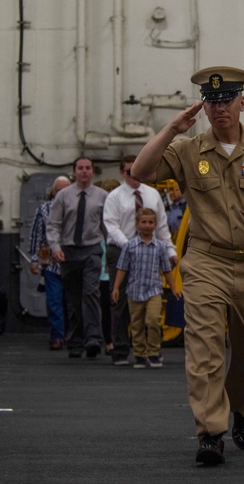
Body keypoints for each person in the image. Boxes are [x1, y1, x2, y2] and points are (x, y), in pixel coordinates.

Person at [132, 65, 244, 465]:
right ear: (203, 108)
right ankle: (210, 431)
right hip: (206, 262)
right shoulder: (190, 151)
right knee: (204, 348)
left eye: (227, 100)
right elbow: (141, 172)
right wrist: (172, 128)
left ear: (242, 102)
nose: (220, 107)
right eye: (212, 101)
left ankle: (241, 405)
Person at [103, 155, 177, 366]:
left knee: (151, 304)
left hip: (150, 249)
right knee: (120, 302)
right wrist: (130, 246)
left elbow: (161, 225)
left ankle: (151, 350)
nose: (133, 175)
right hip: (121, 249)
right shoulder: (115, 197)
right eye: (128, 171)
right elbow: (111, 224)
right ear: (121, 173)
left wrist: (170, 250)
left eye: (137, 170)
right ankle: (120, 349)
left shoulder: (152, 194)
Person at [46, 157, 108, 359]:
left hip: (92, 249)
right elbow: (53, 224)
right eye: (80, 168)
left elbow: (107, 226)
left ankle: (93, 339)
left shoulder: (102, 196)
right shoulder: (63, 196)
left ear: (92, 172)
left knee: (91, 293)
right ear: (74, 171)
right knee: (74, 299)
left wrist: (110, 253)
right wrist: (55, 247)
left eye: (87, 168)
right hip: (69, 251)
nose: (84, 171)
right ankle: (75, 341)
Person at [110, 207, 182, 369]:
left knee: (154, 321)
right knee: (136, 325)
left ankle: (154, 352)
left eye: (150, 222)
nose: (147, 225)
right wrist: (116, 288)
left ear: (155, 225)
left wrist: (174, 288)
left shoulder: (160, 247)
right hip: (134, 291)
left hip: (154, 290)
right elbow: (122, 268)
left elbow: (166, 269)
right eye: (144, 222)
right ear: (137, 224)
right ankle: (140, 355)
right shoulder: (130, 246)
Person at [29, 175, 71, 350]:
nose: (61, 193)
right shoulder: (43, 209)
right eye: (58, 190)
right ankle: (57, 336)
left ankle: (72, 334)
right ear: (53, 192)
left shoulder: (77, 208)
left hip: (73, 262)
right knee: (54, 300)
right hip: (51, 264)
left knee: (71, 301)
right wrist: (34, 259)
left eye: (65, 190)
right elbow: (36, 234)